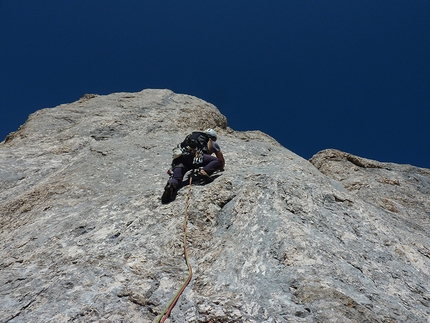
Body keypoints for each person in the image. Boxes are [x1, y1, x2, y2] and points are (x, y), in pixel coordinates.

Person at [161, 128, 225, 204]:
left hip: (181, 159)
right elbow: (219, 156)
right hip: (195, 157)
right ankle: (204, 171)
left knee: (177, 178)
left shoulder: (191, 139)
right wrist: (221, 166)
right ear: (212, 137)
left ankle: (172, 185)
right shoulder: (211, 142)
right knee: (217, 161)